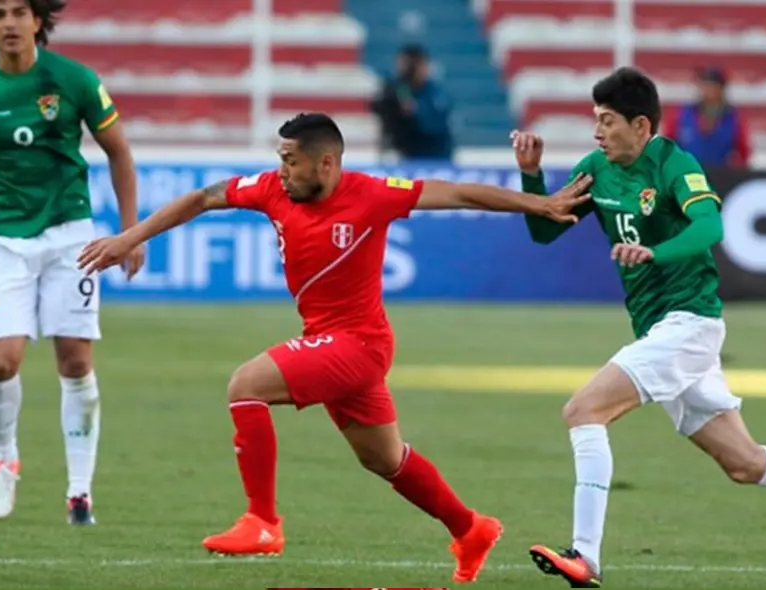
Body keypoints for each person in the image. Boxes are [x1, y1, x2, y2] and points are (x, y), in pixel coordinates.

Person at [77, 112, 588, 583]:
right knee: (385, 459)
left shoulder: (372, 194)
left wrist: (538, 202)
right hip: (331, 342)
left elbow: (458, 194)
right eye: (280, 160)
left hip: (359, 344)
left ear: (326, 162)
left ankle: (262, 521)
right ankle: (470, 528)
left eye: (291, 161)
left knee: (245, 386)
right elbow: (203, 197)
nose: (281, 172)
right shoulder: (272, 191)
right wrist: (130, 237)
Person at [511, 67, 766, 588]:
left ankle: (585, 557)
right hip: (659, 334)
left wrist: (654, 251)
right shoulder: (596, 169)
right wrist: (532, 177)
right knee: (745, 463)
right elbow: (545, 231)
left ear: (641, 125)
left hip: (689, 325)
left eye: (607, 122)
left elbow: (710, 226)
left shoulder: (675, 163)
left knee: (583, 410)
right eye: (596, 121)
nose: (597, 132)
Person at [0, 0, 143, 525]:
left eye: (18, 12)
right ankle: (4, 456)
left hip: (71, 235)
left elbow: (118, 151)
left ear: (37, 21)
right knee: (2, 361)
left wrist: (132, 230)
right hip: (2, 239)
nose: (8, 23)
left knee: (75, 360)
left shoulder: (73, 80)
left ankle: (79, 492)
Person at [662, 66, 751, 168]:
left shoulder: (733, 118)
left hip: (721, 175)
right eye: (705, 86)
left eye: (713, 87)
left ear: (721, 89)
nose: (709, 92)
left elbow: (743, 152)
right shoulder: (681, 115)